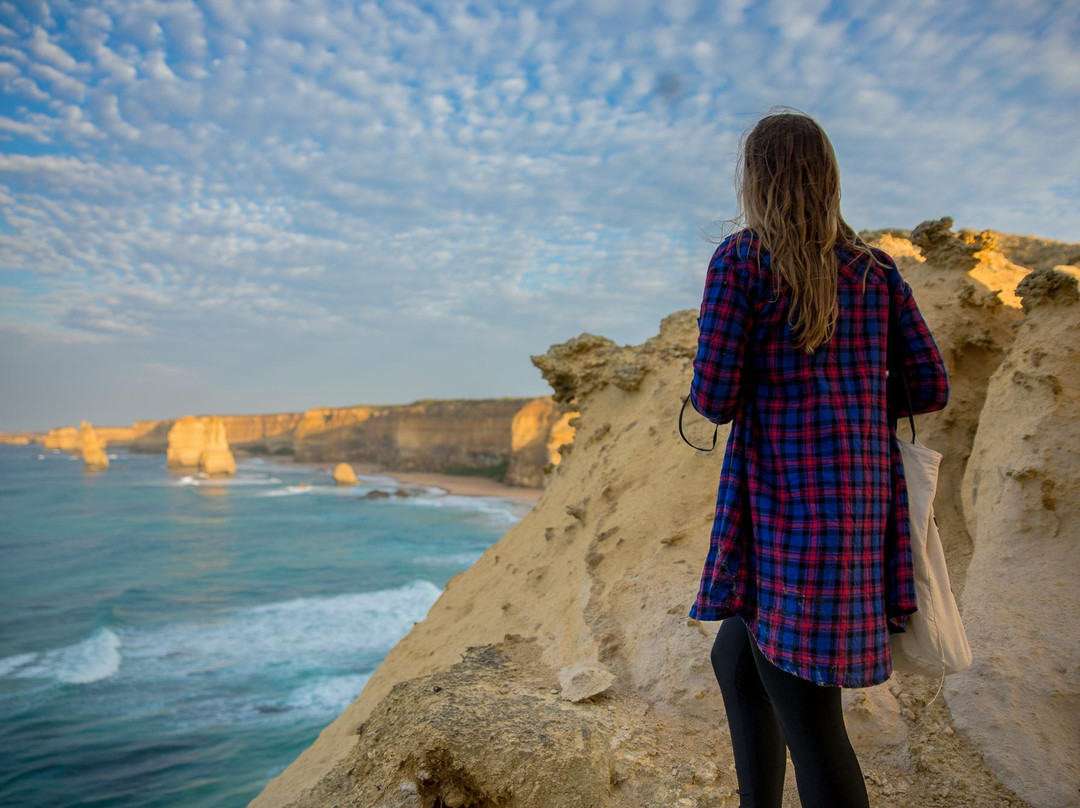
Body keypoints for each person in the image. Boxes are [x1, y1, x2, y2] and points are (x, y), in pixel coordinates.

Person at [686, 110, 949, 808]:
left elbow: (714, 397)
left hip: (784, 511)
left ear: (755, 179)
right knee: (737, 663)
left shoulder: (742, 261)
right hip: (858, 508)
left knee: (809, 716)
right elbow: (931, 384)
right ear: (827, 177)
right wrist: (856, 392)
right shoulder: (874, 271)